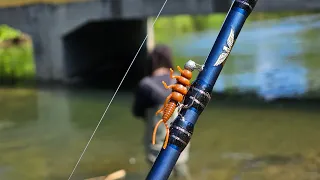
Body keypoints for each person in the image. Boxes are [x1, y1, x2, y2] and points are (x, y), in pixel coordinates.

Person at [132, 44, 191, 179]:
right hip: (180, 140)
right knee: (181, 166)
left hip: (156, 143)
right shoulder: (179, 79)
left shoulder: (145, 84)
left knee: (158, 170)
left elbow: (137, 112)